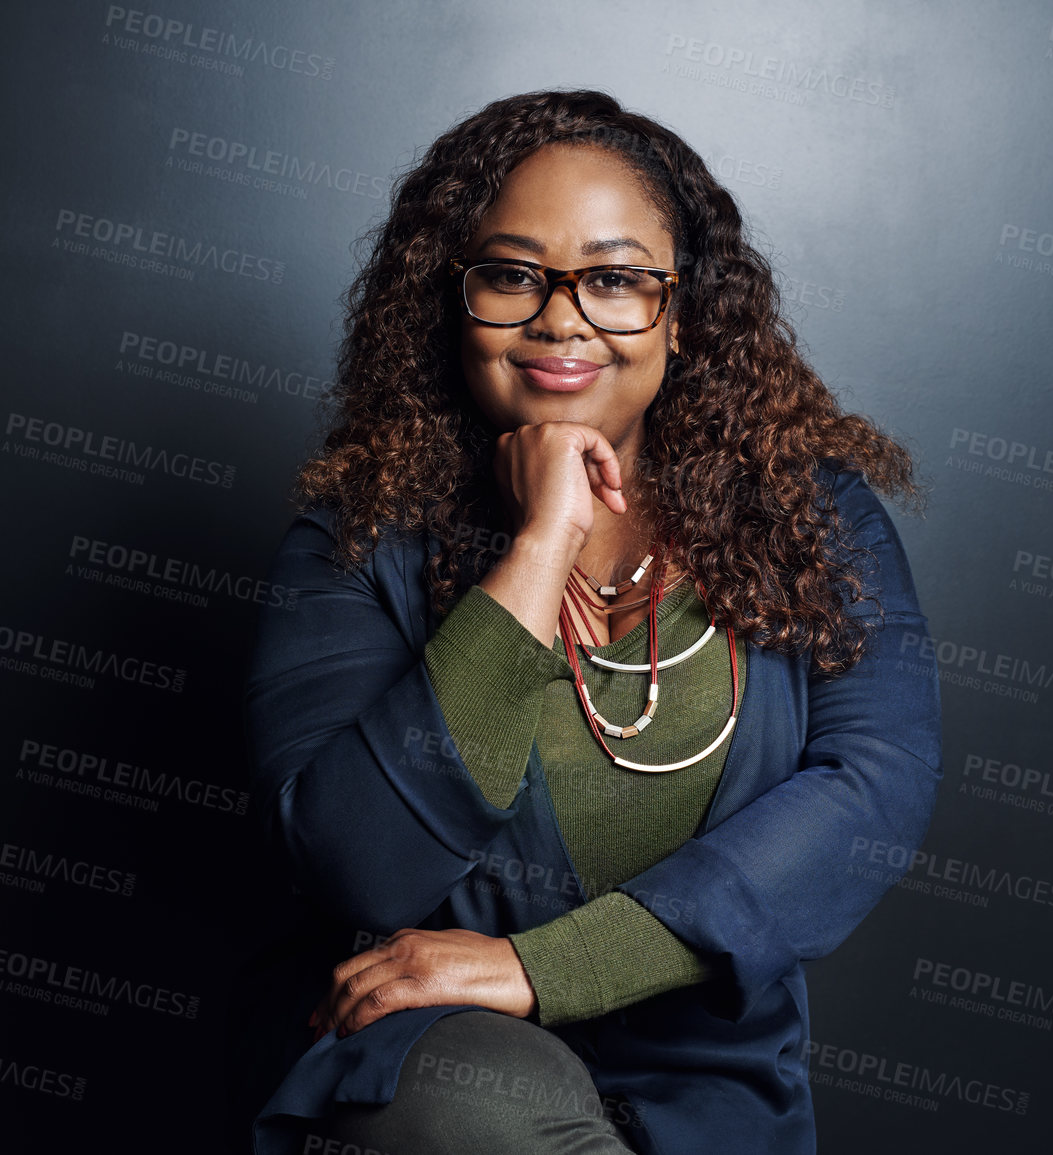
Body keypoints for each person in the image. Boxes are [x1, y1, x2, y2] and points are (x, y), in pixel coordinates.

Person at [243, 88, 942, 1155]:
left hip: (722, 1087)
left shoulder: (814, 516)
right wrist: (539, 544)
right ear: (452, 300)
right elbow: (360, 865)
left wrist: (544, 968)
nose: (560, 318)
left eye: (615, 279)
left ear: (682, 313)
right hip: (446, 1075)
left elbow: (871, 797)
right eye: (513, 276)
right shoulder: (359, 539)